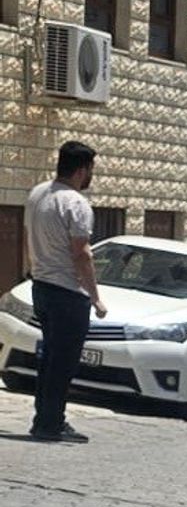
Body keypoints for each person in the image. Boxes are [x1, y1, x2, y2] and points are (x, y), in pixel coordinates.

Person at [24, 141, 106, 443]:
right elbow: (81, 253)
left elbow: (28, 237)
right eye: (91, 170)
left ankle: (44, 419)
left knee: (49, 359)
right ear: (82, 170)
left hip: (41, 286)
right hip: (68, 293)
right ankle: (51, 424)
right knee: (63, 363)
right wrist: (95, 297)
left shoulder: (37, 194)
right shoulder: (76, 203)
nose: (91, 176)